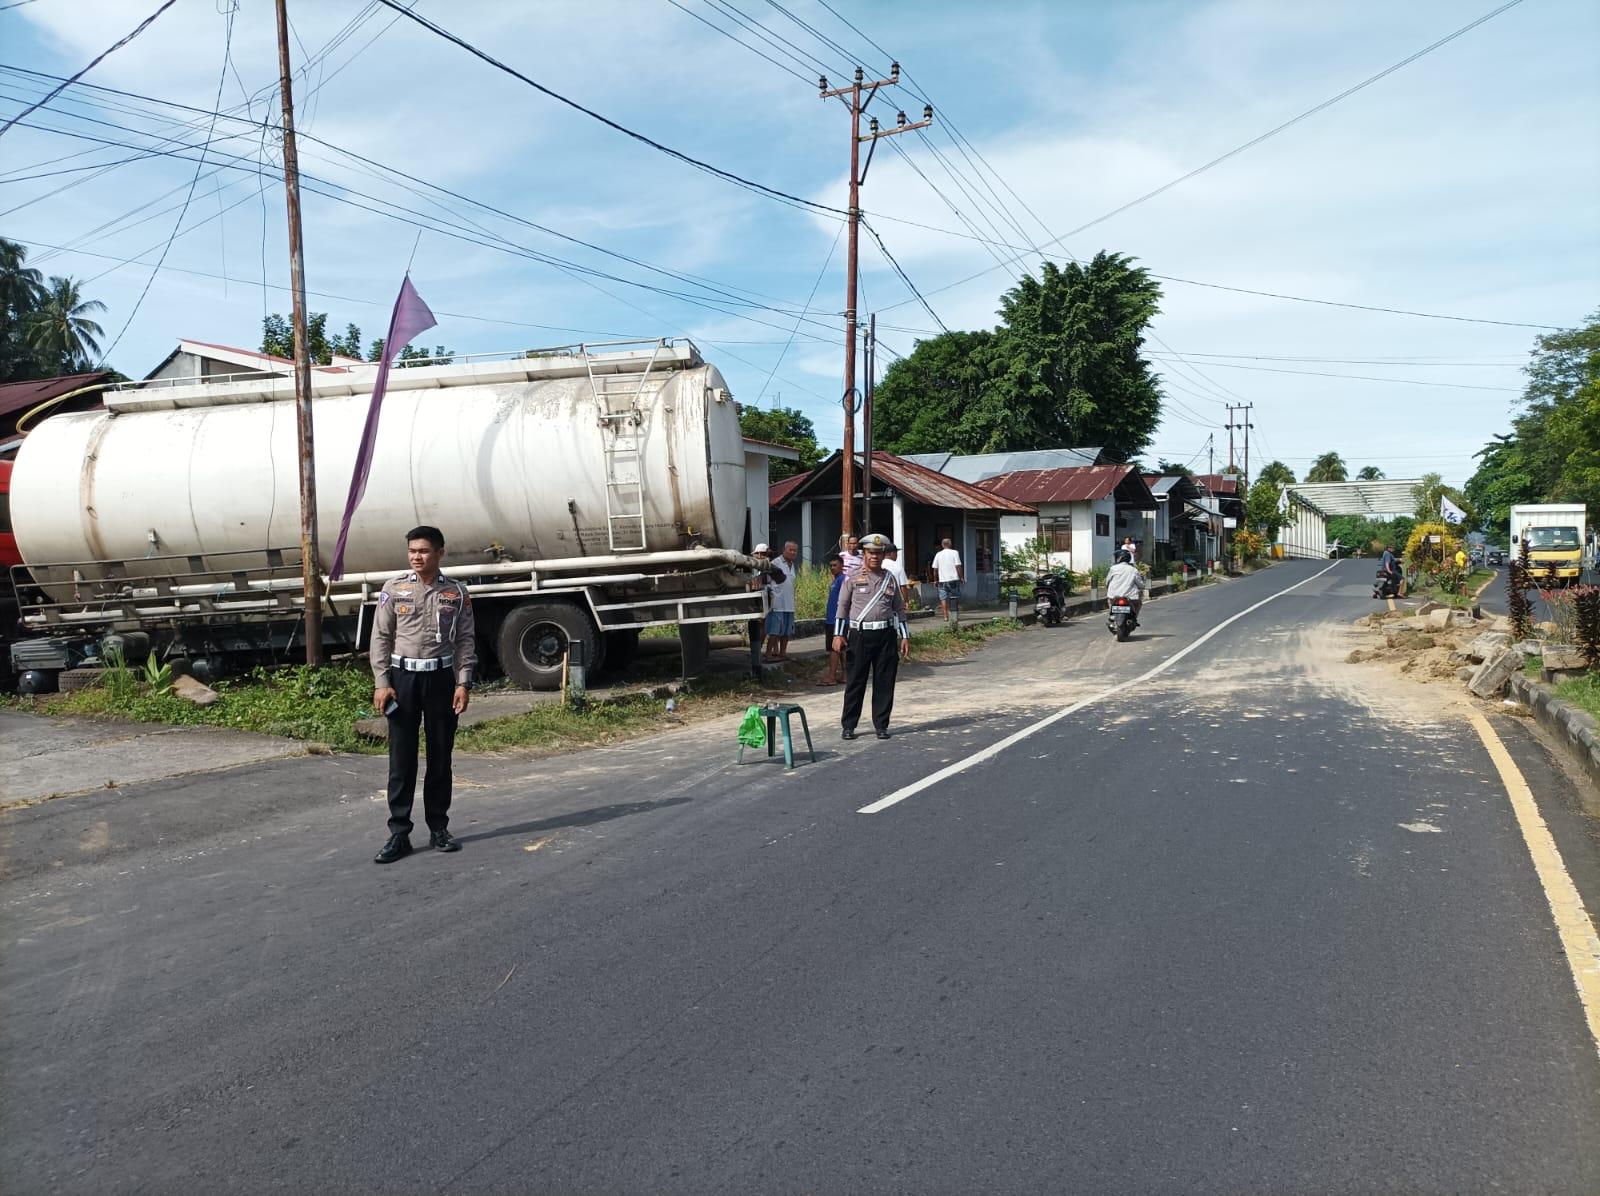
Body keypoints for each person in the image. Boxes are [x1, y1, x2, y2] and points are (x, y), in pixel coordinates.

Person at [370, 525, 476, 864]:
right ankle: (399, 833)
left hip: (441, 680)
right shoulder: (394, 589)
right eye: (413, 551)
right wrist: (382, 681)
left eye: (424, 551)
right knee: (401, 760)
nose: (417, 556)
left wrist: (463, 682)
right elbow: (381, 638)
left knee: (440, 756)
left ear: (440, 553)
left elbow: (465, 641)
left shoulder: (456, 593)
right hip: (403, 681)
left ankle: (439, 828)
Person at [833, 533, 910, 740]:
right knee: (856, 681)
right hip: (860, 635)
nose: (874, 556)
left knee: (884, 681)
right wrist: (838, 634)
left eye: (878, 553)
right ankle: (849, 725)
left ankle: (881, 725)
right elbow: (842, 606)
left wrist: (904, 636)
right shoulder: (852, 577)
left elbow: (898, 609)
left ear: (883, 554)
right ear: (863, 554)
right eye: (870, 552)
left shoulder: (890, 579)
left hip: (885, 635)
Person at [762, 540, 799, 661]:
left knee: (786, 632)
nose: (793, 552)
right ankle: (768, 654)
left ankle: (782, 654)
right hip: (777, 603)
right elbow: (766, 580)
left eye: (795, 550)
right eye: (790, 550)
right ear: (784, 550)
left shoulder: (792, 565)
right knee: (774, 631)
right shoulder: (775, 563)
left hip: (789, 604)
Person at [819, 553, 846, 686]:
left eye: (835, 565)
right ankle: (844, 675)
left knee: (834, 649)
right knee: (841, 650)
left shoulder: (842, 580)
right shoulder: (836, 580)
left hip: (837, 620)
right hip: (833, 619)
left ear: (842, 566)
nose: (832, 568)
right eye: (830, 566)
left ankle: (832, 676)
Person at [1106, 549, 1147, 621]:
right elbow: (1140, 584)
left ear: (1119, 558)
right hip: (1130, 596)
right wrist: (1142, 587)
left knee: (1110, 601)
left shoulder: (1113, 568)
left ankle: (1112, 615)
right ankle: (1134, 618)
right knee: (1138, 603)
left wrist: (1107, 587)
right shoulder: (1133, 570)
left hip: (1114, 595)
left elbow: (1107, 581)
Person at [931, 537, 964, 621]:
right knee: (954, 597)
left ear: (942, 545)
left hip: (942, 580)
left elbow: (935, 569)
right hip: (953, 579)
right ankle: (954, 616)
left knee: (943, 598)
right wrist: (961, 577)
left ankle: (945, 616)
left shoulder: (938, 554)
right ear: (950, 544)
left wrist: (935, 580)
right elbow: (958, 566)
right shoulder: (955, 552)